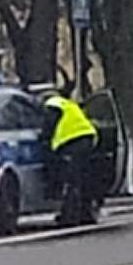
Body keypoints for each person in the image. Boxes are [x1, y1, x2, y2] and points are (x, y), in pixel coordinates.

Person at [42, 91, 101, 226]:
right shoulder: (69, 104)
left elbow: (49, 125)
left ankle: (69, 217)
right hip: (89, 138)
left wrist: (45, 140)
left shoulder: (53, 105)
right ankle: (86, 213)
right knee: (82, 179)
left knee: (71, 181)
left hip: (72, 142)